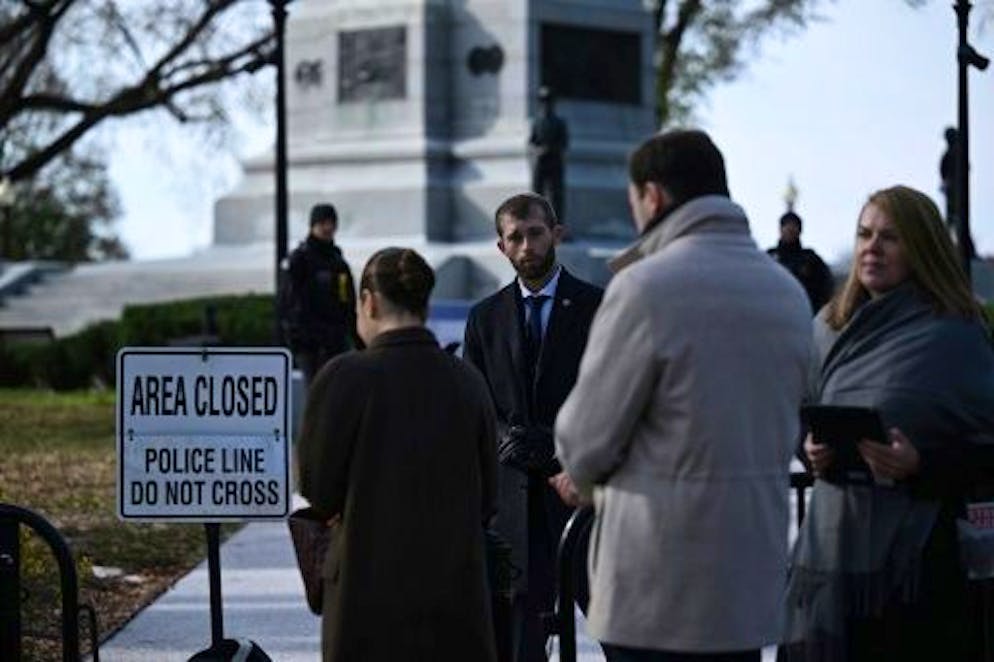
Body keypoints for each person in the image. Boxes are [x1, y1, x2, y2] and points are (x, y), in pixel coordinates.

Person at [553, 129, 813, 662]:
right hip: (749, 575)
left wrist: (584, 480)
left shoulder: (645, 288)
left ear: (652, 197)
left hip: (659, 578)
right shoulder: (786, 292)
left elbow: (584, 440)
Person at [781, 185, 994, 661]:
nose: (871, 248)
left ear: (921, 248)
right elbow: (803, 414)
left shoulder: (955, 334)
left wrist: (922, 463)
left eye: (889, 238)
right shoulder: (826, 328)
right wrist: (811, 449)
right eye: (864, 234)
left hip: (918, 573)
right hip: (830, 563)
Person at [297, 247, 499, 662]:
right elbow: (488, 498)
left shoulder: (342, 377)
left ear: (368, 301)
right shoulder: (468, 380)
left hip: (364, 599)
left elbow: (318, 491)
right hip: (455, 603)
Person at [462, 192, 603, 662]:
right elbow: (475, 403)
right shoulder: (485, 318)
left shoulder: (596, 307)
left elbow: (610, 394)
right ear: (501, 247)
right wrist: (506, 439)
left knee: (618, 631)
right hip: (515, 503)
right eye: (515, 237)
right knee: (522, 646)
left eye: (536, 233)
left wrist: (561, 444)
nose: (527, 246)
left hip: (580, 498)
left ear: (556, 234)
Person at [281, 203, 361, 384]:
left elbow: (347, 303)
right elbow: (289, 302)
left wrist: (354, 338)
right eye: (323, 223)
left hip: (335, 343)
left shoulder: (338, 263)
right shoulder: (299, 260)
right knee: (315, 393)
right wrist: (297, 338)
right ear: (313, 225)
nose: (328, 228)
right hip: (309, 345)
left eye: (331, 223)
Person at [767, 211, 834, 313]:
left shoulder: (811, 259)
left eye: (794, 226)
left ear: (800, 230)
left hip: (804, 314)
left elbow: (827, 287)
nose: (790, 229)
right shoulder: (768, 258)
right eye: (786, 226)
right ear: (780, 229)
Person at [528, 87, 569, 221]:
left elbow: (564, 143)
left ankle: (557, 226)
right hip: (540, 163)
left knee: (557, 196)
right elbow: (531, 142)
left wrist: (550, 148)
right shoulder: (537, 122)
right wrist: (538, 150)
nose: (546, 104)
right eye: (543, 101)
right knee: (537, 196)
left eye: (548, 101)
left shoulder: (560, 123)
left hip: (555, 161)